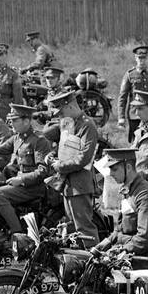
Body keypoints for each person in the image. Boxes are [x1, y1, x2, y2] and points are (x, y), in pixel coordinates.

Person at [44, 89, 100, 245]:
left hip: (80, 185)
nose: (60, 117)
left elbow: (83, 158)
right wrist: (53, 155)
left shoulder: (88, 126)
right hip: (68, 185)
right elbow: (66, 148)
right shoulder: (69, 125)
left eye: (61, 113)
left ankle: (93, 262)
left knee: (84, 229)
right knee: (71, 227)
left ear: (69, 107)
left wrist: (58, 166)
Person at [0, 104, 54, 236]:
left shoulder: (39, 140)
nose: (11, 123)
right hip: (22, 185)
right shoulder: (17, 138)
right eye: (10, 120)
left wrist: (21, 180)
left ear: (26, 121)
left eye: (14, 120)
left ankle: (18, 235)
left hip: (33, 187)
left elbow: (43, 171)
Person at [92, 147, 148, 263]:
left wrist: (120, 250)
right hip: (126, 251)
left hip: (143, 256)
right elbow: (120, 230)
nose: (111, 174)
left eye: (114, 169)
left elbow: (144, 238)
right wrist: (108, 241)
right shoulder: (127, 190)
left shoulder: (144, 194)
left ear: (128, 167)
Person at [117, 43, 148, 144]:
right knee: (135, 141)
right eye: (140, 58)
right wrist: (121, 118)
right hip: (135, 115)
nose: (142, 61)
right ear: (135, 58)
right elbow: (123, 97)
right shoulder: (130, 75)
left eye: (144, 58)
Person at [0, 43, 24, 122]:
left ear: (6, 55)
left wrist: (16, 115)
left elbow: (18, 99)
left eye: (1, 55)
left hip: (7, 112)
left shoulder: (13, 74)